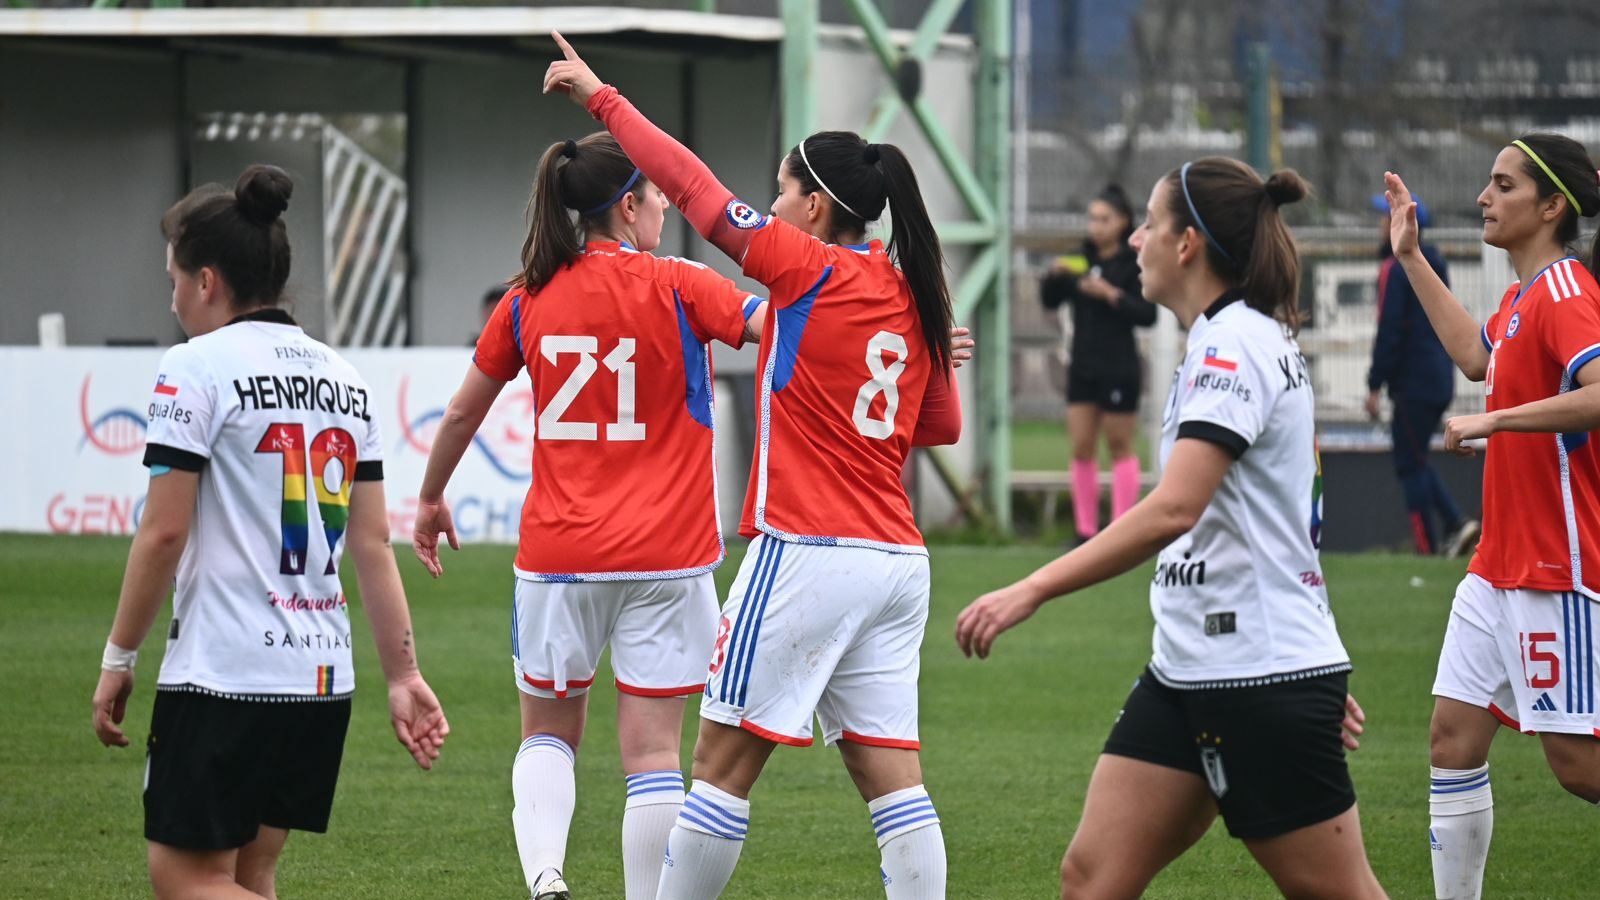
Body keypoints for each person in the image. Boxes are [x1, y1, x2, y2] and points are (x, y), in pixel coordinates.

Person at [544, 32, 963, 900]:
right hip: (897, 563)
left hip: (809, 548)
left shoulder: (805, 268)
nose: (769, 204)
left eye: (781, 189)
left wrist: (602, 97)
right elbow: (940, 426)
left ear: (815, 207)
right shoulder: (909, 286)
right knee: (894, 779)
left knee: (718, 762)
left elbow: (692, 187)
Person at [955, 158, 1387, 900]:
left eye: (1150, 225)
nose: (1134, 243)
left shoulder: (1231, 344)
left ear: (1186, 244)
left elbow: (1174, 509)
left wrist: (1032, 587)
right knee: (1091, 878)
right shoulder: (1228, 336)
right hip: (1194, 669)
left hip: (1255, 676)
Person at [411, 131, 764, 900]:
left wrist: (432, 496)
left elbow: (465, 412)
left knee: (546, 735)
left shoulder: (526, 295)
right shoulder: (682, 284)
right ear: (628, 203)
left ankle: (546, 881)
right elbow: (778, 324)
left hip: (559, 557)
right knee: (652, 757)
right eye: (658, 192)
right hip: (668, 558)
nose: (668, 204)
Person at [90, 165, 448, 900]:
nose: (173, 297)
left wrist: (120, 655)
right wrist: (404, 675)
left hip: (225, 675)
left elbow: (162, 534)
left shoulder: (194, 367)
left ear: (207, 282)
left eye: (174, 279)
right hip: (319, 680)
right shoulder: (345, 379)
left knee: (185, 879)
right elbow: (373, 544)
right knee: (252, 875)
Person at [1383, 133, 1600, 900]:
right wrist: (1410, 256)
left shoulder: (1569, 290)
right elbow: (1479, 360)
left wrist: (1496, 422)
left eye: (1502, 185)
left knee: (1578, 767)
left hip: (1557, 566)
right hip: (1498, 567)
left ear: (1550, 206)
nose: (1484, 196)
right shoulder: (1520, 297)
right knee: (1452, 738)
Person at [1362, 193, 1479, 556]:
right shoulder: (1435, 263)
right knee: (1416, 458)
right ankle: (1456, 523)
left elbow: (1390, 330)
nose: (1382, 224)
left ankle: (1429, 546)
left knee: (1409, 463)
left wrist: (1374, 384)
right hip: (1439, 376)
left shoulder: (1394, 269)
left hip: (1413, 382)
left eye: (1388, 217)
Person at [1039, 185, 1158, 540]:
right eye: (1093, 219)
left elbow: (1147, 314)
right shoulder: (1082, 260)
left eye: (1105, 219)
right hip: (1083, 366)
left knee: (1120, 446)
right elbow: (1050, 299)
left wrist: (1111, 295)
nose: (1097, 226)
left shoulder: (1132, 263)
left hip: (1119, 367)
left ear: (1123, 222)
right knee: (1081, 447)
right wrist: (1055, 275)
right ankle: (1085, 531)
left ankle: (1121, 530)